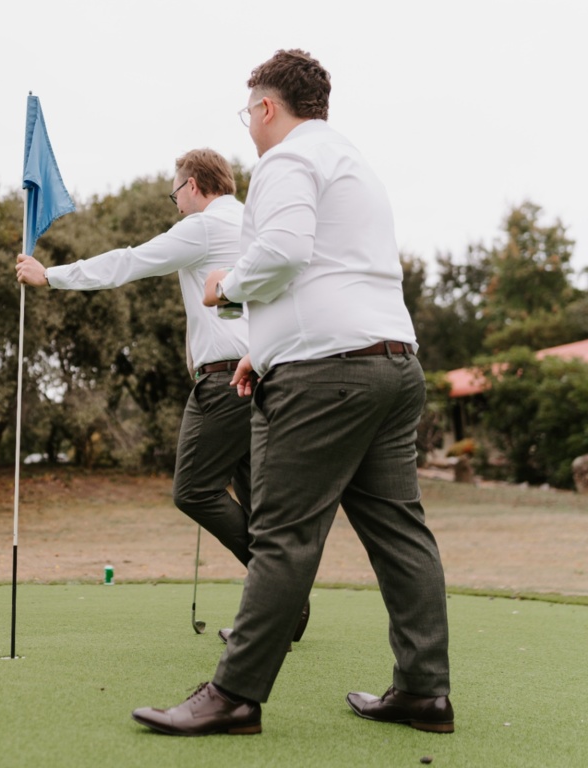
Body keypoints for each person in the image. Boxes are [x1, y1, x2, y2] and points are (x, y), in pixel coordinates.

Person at [132, 49, 453, 736]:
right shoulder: (352, 161)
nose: (248, 125)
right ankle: (424, 691)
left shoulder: (284, 160)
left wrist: (225, 286)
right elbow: (331, 273)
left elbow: (282, 253)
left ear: (267, 106)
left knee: (281, 535)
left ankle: (233, 696)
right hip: (393, 366)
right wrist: (262, 348)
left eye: (248, 111)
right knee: (401, 533)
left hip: (325, 379)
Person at [16, 150, 312, 641]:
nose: (175, 203)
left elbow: (130, 261)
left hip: (225, 381)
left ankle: (283, 592)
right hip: (264, 373)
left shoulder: (203, 227)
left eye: (175, 193)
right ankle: (281, 612)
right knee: (257, 502)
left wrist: (51, 275)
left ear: (193, 185)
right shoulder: (254, 222)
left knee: (193, 489)